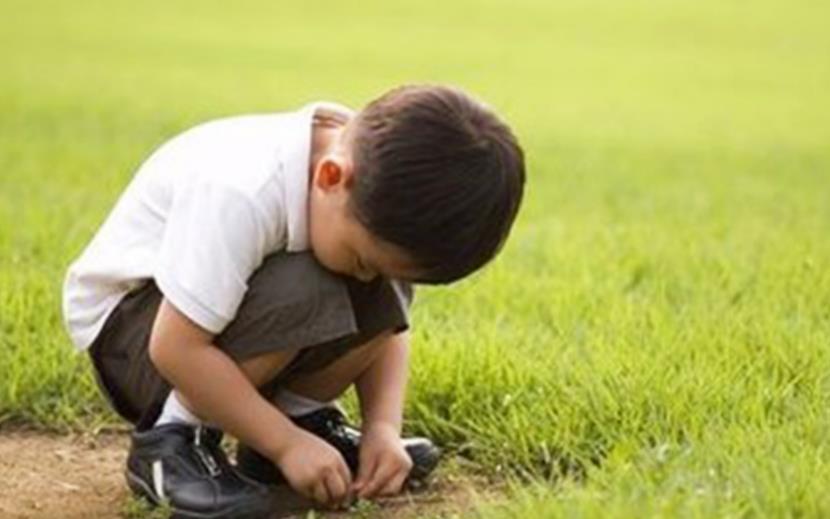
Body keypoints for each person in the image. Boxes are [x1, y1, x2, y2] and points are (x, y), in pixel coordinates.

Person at [62, 84, 525, 518]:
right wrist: (285, 444)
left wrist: (383, 429)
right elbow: (175, 348)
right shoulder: (241, 191)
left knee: (363, 282)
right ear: (330, 177)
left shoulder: (365, 175)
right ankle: (170, 441)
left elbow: (390, 327)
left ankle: (295, 423)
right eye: (364, 258)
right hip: (135, 337)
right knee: (310, 285)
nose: (368, 276)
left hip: (210, 330)